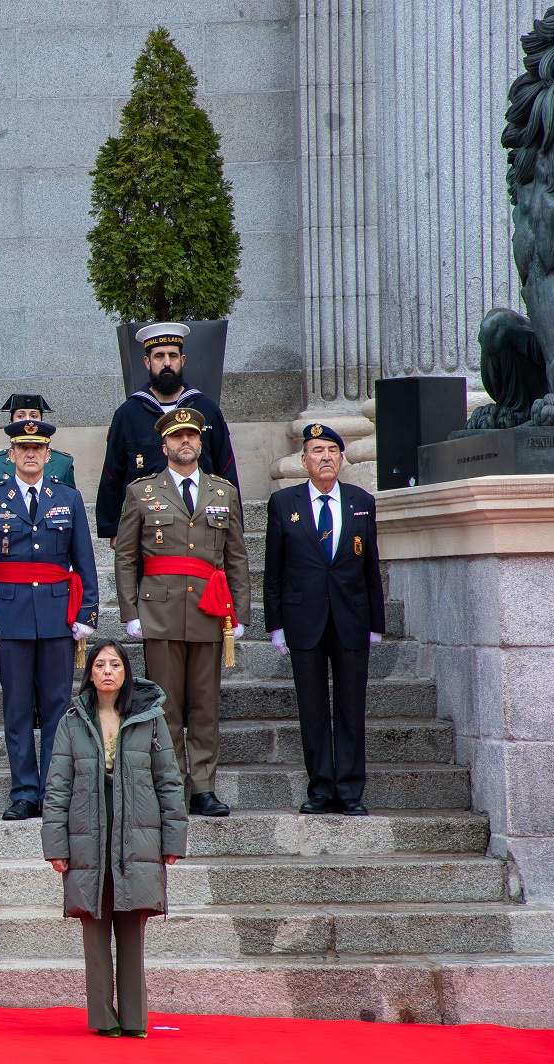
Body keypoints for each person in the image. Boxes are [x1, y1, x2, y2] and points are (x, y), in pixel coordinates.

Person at [42, 639, 187, 1038]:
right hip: (88, 832)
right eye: (100, 664)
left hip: (137, 831)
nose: (108, 671)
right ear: (90, 672)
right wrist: (55, 845)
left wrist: (173, 839)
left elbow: (169, 780)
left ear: (126, 673)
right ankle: (103, 1020)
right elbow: (57, 787)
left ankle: (136, 1020)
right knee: (94, 927)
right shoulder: (72, 720)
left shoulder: (149, 717)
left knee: (132, 928)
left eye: (115, 665)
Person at [112, 408, 250, 818]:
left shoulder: (223, 492)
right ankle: (170, 785)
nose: (184, 442)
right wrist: (130, 610)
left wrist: (238, 613)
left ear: (200, 443)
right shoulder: (142, 492)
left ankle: (203, 788)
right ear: (165, 445)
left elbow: (237, 557)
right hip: (161, 611)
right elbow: (126, 556)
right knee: (166, 705)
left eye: (191, 436)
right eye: (177, 437)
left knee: (205, 706)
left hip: (209, 611)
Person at [0, 418, 99, 821]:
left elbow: (84, 561)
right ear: (11, 455)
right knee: (18, 708)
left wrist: (86, 612)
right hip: (9, 617)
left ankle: (53, 790)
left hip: (58, 616)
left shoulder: (68, 498)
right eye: (22, 448)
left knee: (59, 708)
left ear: (47, 455)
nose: (29, 454)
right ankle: (24, 791)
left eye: (37, 448)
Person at [264, 424, 384, 817]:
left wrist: (376, 623)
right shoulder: (284, 503)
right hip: (304, 619)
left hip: (350, 617)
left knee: (350, 705)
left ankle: (349, 790)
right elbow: (274, 570)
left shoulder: (361, 501)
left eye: (333, 450)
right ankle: (320, 788)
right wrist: (275, 623)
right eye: (318, 450)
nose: (326, 457)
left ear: (342, 458)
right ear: (304, 460)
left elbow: (370, 568)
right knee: (313, 707)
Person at [95, 324, 237, 542]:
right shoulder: (128, 413)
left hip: (201, 525)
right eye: (159, 356)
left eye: (173, 355)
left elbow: (225, 467)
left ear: (183, 360)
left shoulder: (206, 410)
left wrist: (234, 525)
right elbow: (113, 471)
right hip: (146, 528)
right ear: (147, 362)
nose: (167, 363)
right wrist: (113, 529)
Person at [0, 393, 76, 487]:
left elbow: (69, 498)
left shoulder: (63, 462)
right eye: (20, 416)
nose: (28, 421)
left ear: (42, 422)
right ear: (10, 423)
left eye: (34, 416)